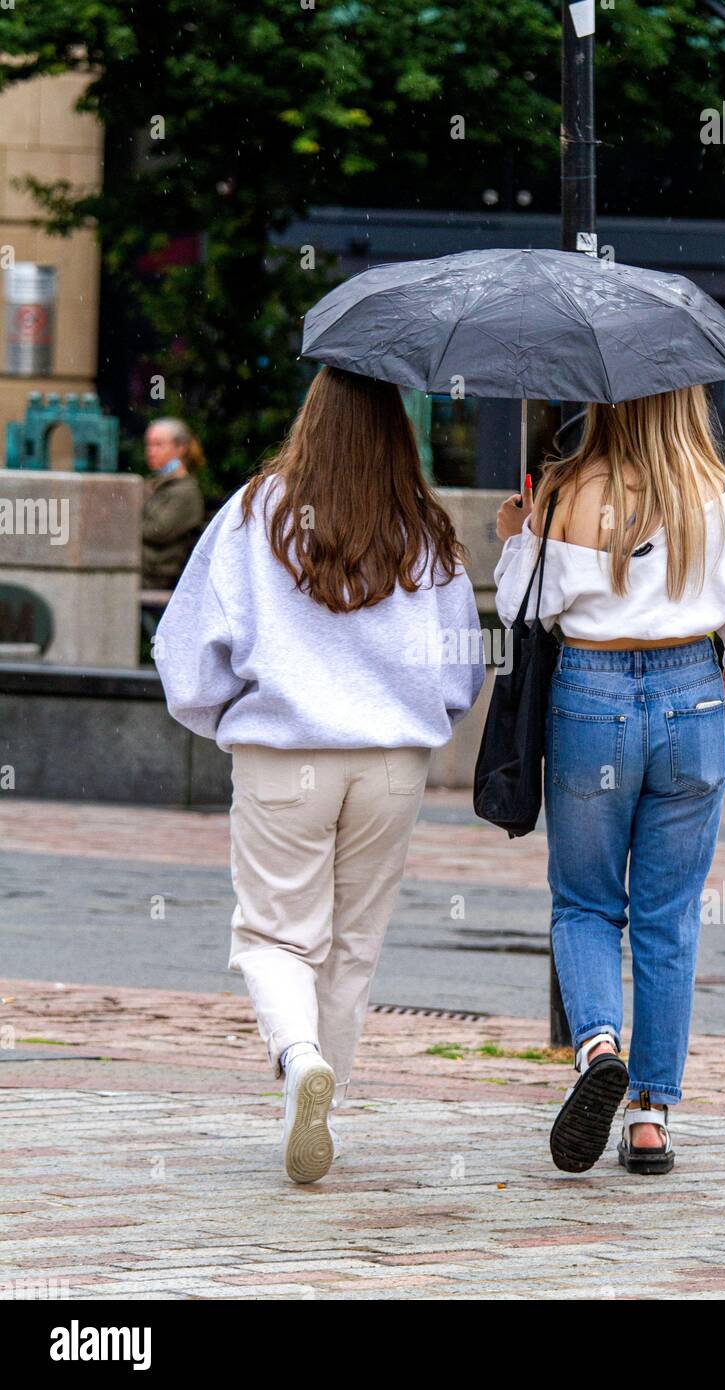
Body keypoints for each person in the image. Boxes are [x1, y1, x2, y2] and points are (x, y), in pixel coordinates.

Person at [154, 367, 484, 1185]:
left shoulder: (255, 514)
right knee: (351, 947)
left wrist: (231, 718)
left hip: (284, 754)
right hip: (391, 764)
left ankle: (299, 1059)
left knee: (272, 934)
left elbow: (188, 657)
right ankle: (317, 1108)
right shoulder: (423, 525)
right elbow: (461, 670)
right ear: (396, 431)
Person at [494, 385, 725, 1176]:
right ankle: (650, 1115)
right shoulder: (723, 498)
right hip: (693, 695)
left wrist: (517, 535)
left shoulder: (563, 489)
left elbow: (522, 607)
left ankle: (596, 1046)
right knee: (668, 915)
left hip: (590, 693)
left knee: (586, 900)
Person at [141, 418, 206, 588]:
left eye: (158, 445)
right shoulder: (154, 484)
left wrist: (125, 524)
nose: (151, 451)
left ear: (180, 447)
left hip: (156, 576)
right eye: (148, 445)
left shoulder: (185, 491)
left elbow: (158, 531)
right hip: (143, 569)